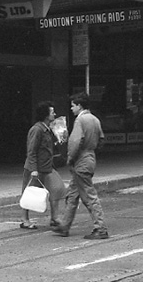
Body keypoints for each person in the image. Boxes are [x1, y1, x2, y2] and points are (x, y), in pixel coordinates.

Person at [53, 92, 108, 239]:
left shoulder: (80, 120)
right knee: (72, 194)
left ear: (79, 105)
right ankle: (65, 225)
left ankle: (100, 228)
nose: (71, 109)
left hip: (81, 161)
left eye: (72, 106)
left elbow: (75, 142)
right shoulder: (95, 119)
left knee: (89, 196)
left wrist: (70, 158)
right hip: (90, 157)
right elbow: (101, 140)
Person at [20, 101, 63, 230]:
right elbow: (31, 151)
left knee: (57, 189)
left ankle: (55, 218)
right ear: (45, 115)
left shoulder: (48, 129)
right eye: (52, 112)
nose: (54, 114)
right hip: (36, 168)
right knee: (29, 193)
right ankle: (24, 219)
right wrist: (33, 170)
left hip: (47, 167)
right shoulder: (37, 130)